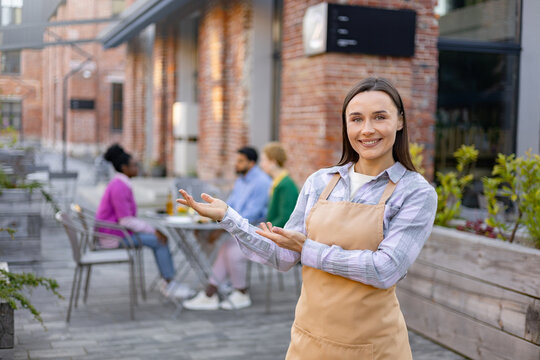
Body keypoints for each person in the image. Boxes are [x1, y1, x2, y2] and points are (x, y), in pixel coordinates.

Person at [178, 77, 437, 359]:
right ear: (346, 125)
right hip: (309, 341)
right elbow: (282, 256)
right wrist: (229, 218)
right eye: (356, 119)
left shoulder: (415, 193)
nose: (367, 129)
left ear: (400, 121)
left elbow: (384, 269)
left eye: (379, 117)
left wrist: (307, 249)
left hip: (373, 346)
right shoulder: (319, 182)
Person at [95, 144, 190, 299]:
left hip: (116, 233)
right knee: (159, 240)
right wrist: (153, 230)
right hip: (113, 237)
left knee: (159, 238)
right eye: (134, 166)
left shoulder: (120, 183)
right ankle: (169, 283)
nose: (137, 168)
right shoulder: (119, 187)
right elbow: (126, 220)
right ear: (124, 168)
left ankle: (167, 280)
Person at [182, 146, 271, 310]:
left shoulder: (262, 182)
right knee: (220, 246)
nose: (236, 164)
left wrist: (223, 224)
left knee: (230, 249)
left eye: (240, 161)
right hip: (237, 227)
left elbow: (252, 214)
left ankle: (239, 291)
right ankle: (213, 292)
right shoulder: (241, 181)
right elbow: (230, 205)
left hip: (257, 229)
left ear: (251, 163)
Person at [260, 142, 299, 228]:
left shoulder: (286, 185)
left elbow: (285, 217)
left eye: (264, 160)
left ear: (273, 162)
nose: (261, 165)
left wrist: (265, 231)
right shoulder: (277, 182)